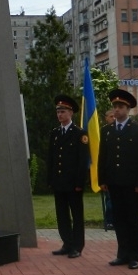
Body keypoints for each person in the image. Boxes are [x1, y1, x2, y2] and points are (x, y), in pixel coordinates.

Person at [98, 89, 138, 270]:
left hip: (132, 184)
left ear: (128, 109)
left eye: (120, 107)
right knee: (119, 219)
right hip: (114, 182)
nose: (117, 110)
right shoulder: (107, 131)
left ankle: (135, 256)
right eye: (115, 107)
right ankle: (122, 253)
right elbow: (103, 157)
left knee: (133, 219)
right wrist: (102, 179)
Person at [48, 94, 89, 258]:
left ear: (71, 113)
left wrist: (80, 182)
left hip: (73, 183)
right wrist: (50, 179)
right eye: (58, 111)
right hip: (59, 182)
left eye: (63, 111)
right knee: (62, 214)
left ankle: (77, 246)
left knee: (77, 215)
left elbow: (82, 160)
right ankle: (67, 242)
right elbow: (51, 158)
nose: (60, 115)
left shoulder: (80, 134)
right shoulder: (55, 133)